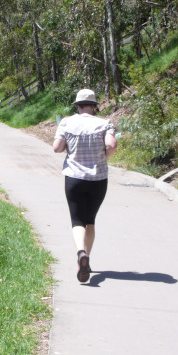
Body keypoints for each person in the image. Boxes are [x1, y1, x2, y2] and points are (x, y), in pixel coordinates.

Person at [53, 89, 117, 283]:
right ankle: (86, 260)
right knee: (90, 220)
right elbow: (112, 145)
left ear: (77, 105)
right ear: (94, 105)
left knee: (77, 220)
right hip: (98, 179)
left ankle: (81, 253)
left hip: (74, 178)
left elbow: (57, 148)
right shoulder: (104, 124)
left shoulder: (67, 122)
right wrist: (104, 158)